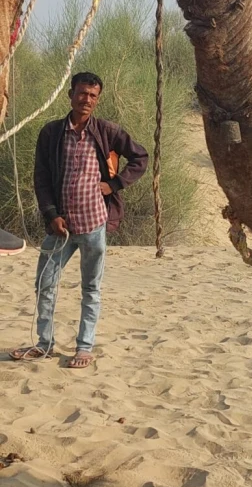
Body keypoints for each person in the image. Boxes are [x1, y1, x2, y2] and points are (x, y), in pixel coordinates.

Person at [9, 71, 148, 367]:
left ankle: (84, 347)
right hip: (61, 227)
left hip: (95, 224)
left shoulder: (107, 131)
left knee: (91, 288)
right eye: (82, 93)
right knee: (45, 284)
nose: (87, 100)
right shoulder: (51, 133)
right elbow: (42, 178)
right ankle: (44, 343)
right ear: (70, 94)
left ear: (98, 100)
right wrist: (51, 214)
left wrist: (115, 184)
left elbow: (141, 158)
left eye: (93, 96)